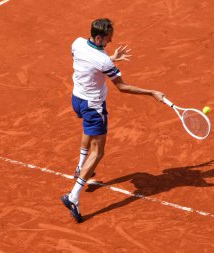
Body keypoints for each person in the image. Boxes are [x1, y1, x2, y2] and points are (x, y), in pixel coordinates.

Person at [61, 18, 165, 223]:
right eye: (107, 41)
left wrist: (110, 57)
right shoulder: (104, 61)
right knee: (98, 152)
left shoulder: (77, 43)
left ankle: (80, 166)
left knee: (88, 130)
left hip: (77, 99)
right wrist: (152, 92)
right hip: (93, 107)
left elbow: (90, 61)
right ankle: (73, 196)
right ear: (99, 38)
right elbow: (122, 87)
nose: (109, 44)